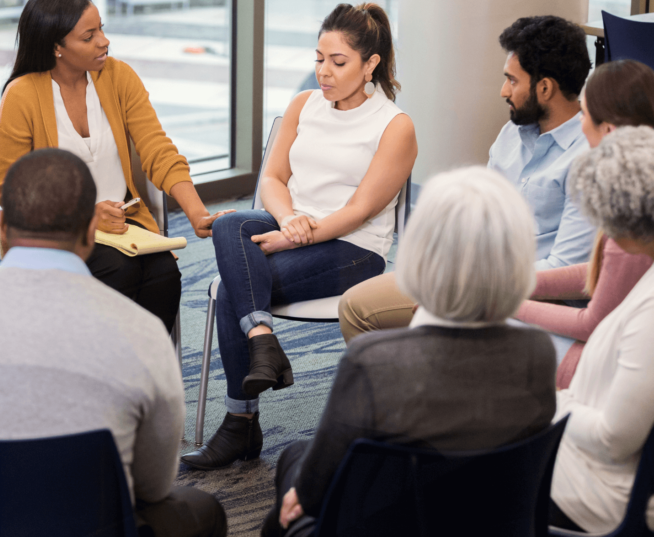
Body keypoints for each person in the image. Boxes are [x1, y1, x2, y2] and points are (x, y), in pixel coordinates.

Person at [0, 149, 227, 537]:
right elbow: (152, 486)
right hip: (87, 524)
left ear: (2, 227)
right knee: (201, 508)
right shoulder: (140, 333)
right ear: (91, 232)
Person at [181, 2, 417, 470]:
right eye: (319, 59)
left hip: (354, 249)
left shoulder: (394, 126)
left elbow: (361, 209)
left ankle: (240, 424)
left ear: (370, 64)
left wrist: (296, 238)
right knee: (230, 223)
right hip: (297, 223)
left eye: (338, 62)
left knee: (233, 289)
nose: (323, 72)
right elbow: (272, 180)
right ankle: (263, 334)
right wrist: (289, 221)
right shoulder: (303, 104)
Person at [263, 166, 557, 537]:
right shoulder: (538, 351)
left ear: (420, 255)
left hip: (391, 523)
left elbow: (317, 488)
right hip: (487, 521)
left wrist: (302, 494)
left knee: (293, 461)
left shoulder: (375, 360)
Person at [338, 15, 597, 344]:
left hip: (534, 296)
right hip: (475, 275)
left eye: (512, 81)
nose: (504, 91)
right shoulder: (512, 133)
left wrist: (470, 291)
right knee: (355, 306)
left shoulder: (589, 161)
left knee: (436, 333)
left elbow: (566, 272)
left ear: (544, 88)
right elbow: (478, 221)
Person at [0, 0, 232, 334]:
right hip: (57, 233)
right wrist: (85, 216)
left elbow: (157, 149)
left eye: (101, 29)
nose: (104, 41)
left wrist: (198, 214)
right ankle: (102, 376)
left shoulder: (118, 76)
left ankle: (144, 378)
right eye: (89, 36)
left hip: (124, 224)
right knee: (118, 270)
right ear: (56, 47)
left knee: (164, 273)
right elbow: (8, 188)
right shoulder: (22, 95)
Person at [514, 59, 654, 388]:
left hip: (608, 367)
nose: (579, 125)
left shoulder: (630, 211)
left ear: (608, 130)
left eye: (585, 115)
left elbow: (594, 323)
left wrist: (510, 303)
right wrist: (518, 283)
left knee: (478, 332)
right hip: (619, 347)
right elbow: (600, 271)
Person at [549, 126, 654, 533]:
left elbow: (614, 439)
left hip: (597, 493)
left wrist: (553, 403)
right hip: (589, 461)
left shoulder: (649, 315)